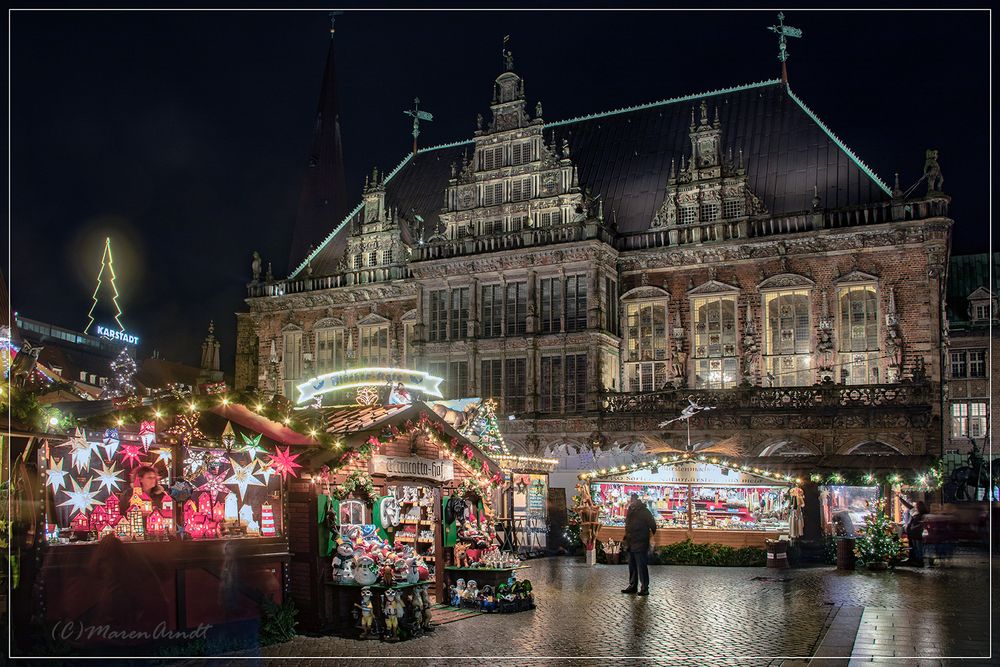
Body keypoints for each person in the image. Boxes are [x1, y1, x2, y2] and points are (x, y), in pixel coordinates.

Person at [621, 493, 657, 596]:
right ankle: (633, 586)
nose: (630, 502)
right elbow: (627, 525)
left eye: (632, 500)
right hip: (631, 543)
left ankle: (644, 588)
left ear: (636, 501)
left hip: (640, 543)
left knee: (641, 566)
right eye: (630, 500)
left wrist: (647, 537)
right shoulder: (630, 511)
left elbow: (653, 526)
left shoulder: (645, 512)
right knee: (632, 566)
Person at [905, 500, 928, 566]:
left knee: (918, 548)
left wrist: (914, 527)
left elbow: (922, 524)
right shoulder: (916, 513)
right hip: (913, 534)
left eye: (917, 506)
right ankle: (916, 559)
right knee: (915, 547)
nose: (916, 507)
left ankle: (919, 560)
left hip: (917, 534)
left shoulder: (922, 515)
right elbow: (909, 506)